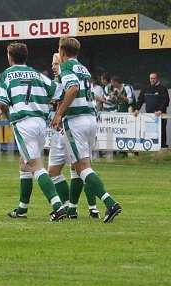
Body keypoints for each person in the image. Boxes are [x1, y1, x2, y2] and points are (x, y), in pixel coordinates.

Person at [51, 37, 122, 223]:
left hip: (76, 121)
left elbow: (73, 89)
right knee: (78, 166)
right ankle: (73, 209)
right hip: (91, 118)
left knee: (82, 167)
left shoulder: (66, 68)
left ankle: (110, 203)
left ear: (62, 51)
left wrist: (59, 113)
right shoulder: (83, 68)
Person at [0, 42, 66, 221]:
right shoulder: (37, 74)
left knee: (35, 165)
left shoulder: (6, 75)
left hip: (23, 123)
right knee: (24, 163)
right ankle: (22, 208)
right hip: (40, 123)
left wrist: (8, 116)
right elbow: (58, 91)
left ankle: (58, 206)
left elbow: (2, 103)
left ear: (10, 57)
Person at [48, 53, 100, 219]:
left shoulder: (66, 78)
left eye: (56, 63)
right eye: (52, 64)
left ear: (62, 60)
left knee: (79, 167)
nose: (54, 66)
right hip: (64, 129)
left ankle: (89, 207)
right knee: (63, 170)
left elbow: (66, 95)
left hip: (69, 126)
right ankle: (71, 206)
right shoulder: (69, 76)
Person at [136, 72, 170, 148]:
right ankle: (152, 147)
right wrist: (137, 109)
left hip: (160, 115)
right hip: (149, 116)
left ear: (157, 79)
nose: (152, 80)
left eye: (154, 78)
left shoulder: (162, 88)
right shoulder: (145, 88)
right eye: (151, 78)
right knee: (150, 132)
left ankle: (162, 147)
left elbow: (166, 101)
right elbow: (140, 100)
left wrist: (160, 110)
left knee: (161, 131)